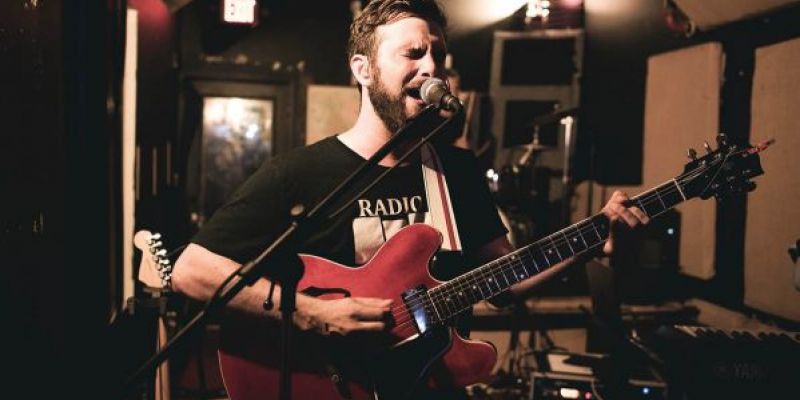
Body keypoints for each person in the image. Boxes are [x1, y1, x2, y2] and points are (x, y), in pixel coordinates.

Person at [171, 0, 648, 397]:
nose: (432, 67)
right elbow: (191, 270)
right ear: (362, 69)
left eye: (438, 53)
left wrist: (593, 240)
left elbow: (505, 279)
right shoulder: (299, 173)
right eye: (413, 53)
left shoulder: (456, 172)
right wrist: (315, 314)